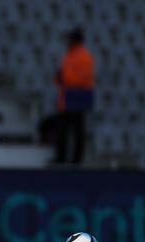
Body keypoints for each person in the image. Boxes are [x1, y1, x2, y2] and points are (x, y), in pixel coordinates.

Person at [53, 27, 95, 164]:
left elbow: (83, 78)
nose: (67, 41)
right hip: (67, 96)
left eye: (70, 39)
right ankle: (61, 157)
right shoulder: (69, 55)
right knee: (62, 129)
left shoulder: (84, 56)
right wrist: (60, 78)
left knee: (77, 129)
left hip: (78, 96)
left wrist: (64, 77)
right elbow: (64, 74)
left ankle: (76, 160)